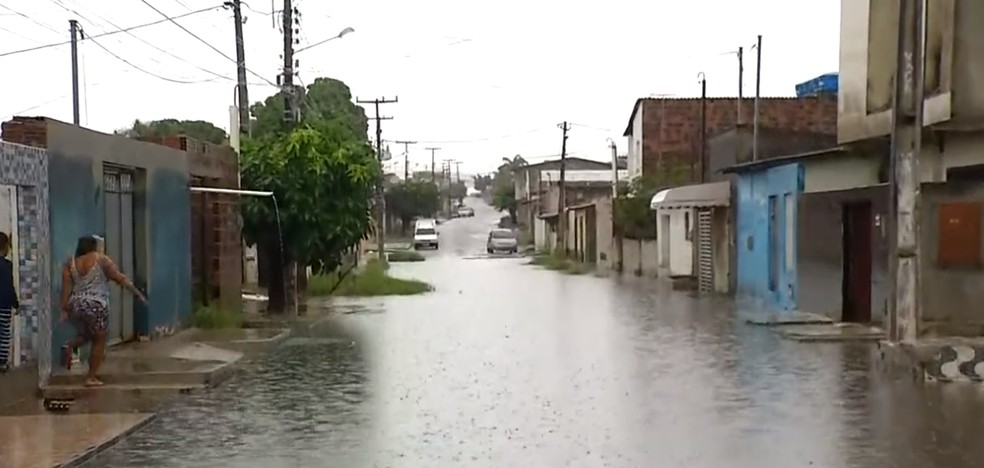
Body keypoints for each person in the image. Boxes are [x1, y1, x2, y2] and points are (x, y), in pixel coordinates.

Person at [60, 235, 146, 387]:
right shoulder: (101, 259)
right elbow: (120, 278)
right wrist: (137, 294)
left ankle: (70, 345)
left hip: (77, 305)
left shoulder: (70, 263)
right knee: (99, 339)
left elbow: (66, 289)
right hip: (96, 305)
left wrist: (64, 310)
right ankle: (91, 377)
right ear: (94, 246)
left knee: (87, 334)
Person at [0, 232, 18, 373]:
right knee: (4, 333)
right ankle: (2, 362)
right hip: (4, 303)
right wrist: (16, 303)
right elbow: (9, 285)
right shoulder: (7, 265)